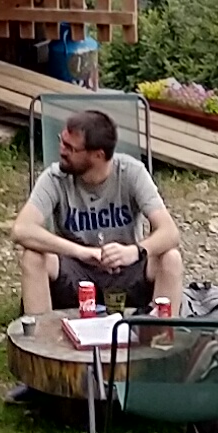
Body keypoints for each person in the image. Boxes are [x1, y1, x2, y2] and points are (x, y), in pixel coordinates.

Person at [11, 107, 185, 315]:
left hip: (125, 272)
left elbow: (170, 232)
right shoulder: (55, 178)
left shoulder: (131, 172)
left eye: (70, 147)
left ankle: (160, 332)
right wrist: (81, 252)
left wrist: (134, 252)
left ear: (98, 155)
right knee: (32, 257)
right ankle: (40, 332)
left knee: (171, 258)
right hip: (75, 273)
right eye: (61, 141)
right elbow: (22, 229)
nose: (61, 150)